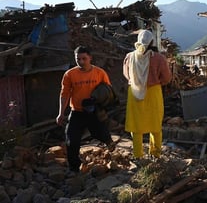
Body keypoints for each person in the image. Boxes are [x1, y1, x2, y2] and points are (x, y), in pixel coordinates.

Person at [56, 45, 115, 173]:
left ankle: (108, 141)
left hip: (94, 111)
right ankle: (74, 168)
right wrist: (61, 113)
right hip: (77, 111)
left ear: (90, 58)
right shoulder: (70, 74)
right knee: (71, 140)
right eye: (78, 59)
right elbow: (64, 94)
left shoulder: (99, 73)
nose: (81, 62)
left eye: (84, 58)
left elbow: (108, 91)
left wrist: (100, 103)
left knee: (99, 133)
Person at [123, 30, 172, 159]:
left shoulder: (129, 56)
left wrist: (137, 81)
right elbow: (167, 78)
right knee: (155, 123)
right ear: (152, 41)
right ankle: (155, 154)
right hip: (153, 92)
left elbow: (126, 75)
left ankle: (138, 155)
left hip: (134, 92)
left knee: (136, 124)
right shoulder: (159, 58)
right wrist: (155, 81)